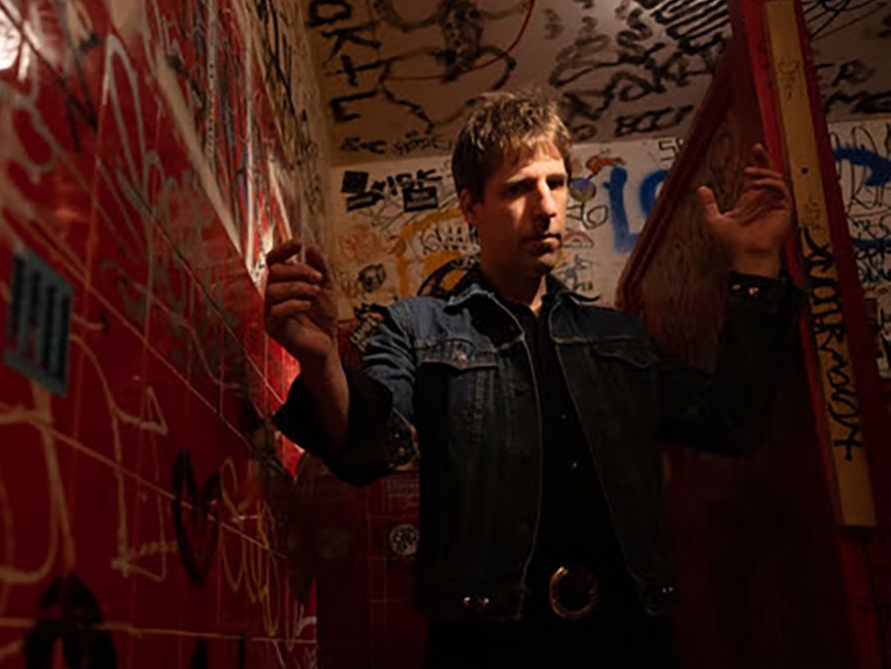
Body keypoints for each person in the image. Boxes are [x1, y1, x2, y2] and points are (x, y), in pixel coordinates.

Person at [265, 90, 798, 667]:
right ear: (471, 207)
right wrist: (320, 359)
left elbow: (729, 422)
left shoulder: (618, 337)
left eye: (557, 183)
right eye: (519, 188)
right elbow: (367, 446)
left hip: (628, 641)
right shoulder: (420, 327)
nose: (546, 207)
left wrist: (755, 264)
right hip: (485, 647)